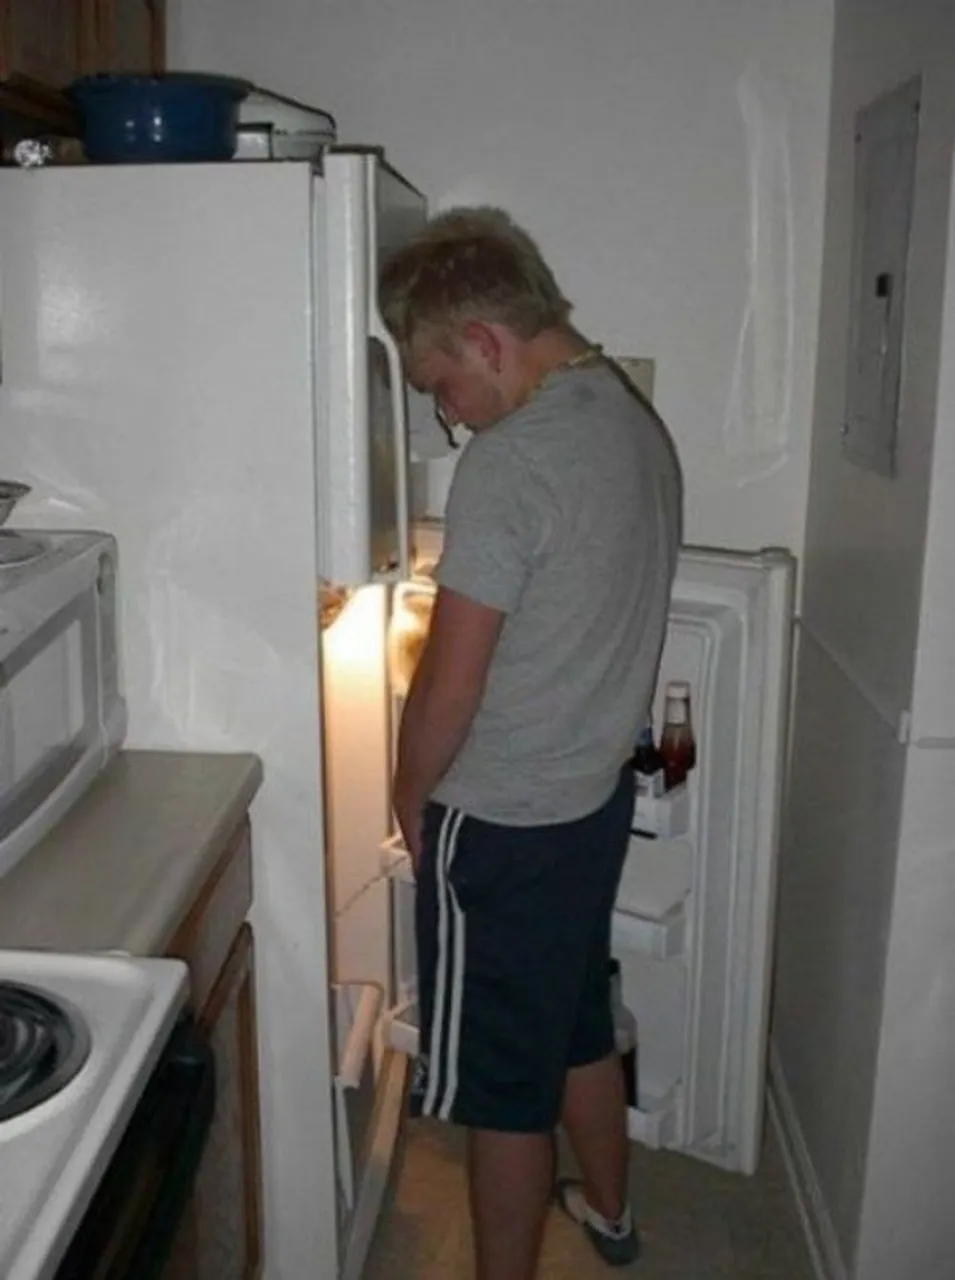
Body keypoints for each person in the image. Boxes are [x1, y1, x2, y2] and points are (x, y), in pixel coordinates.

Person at [379, 207, 682, 1280]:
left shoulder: (512, 462)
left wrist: (407, 790)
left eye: (441, 385)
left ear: (484, 342)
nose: (450, 414)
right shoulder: (631, 421)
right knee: (571, 1018)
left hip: (502, 824)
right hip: (590, 802)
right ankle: (609, 1211)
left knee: (503, 1088)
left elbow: (449, 679)